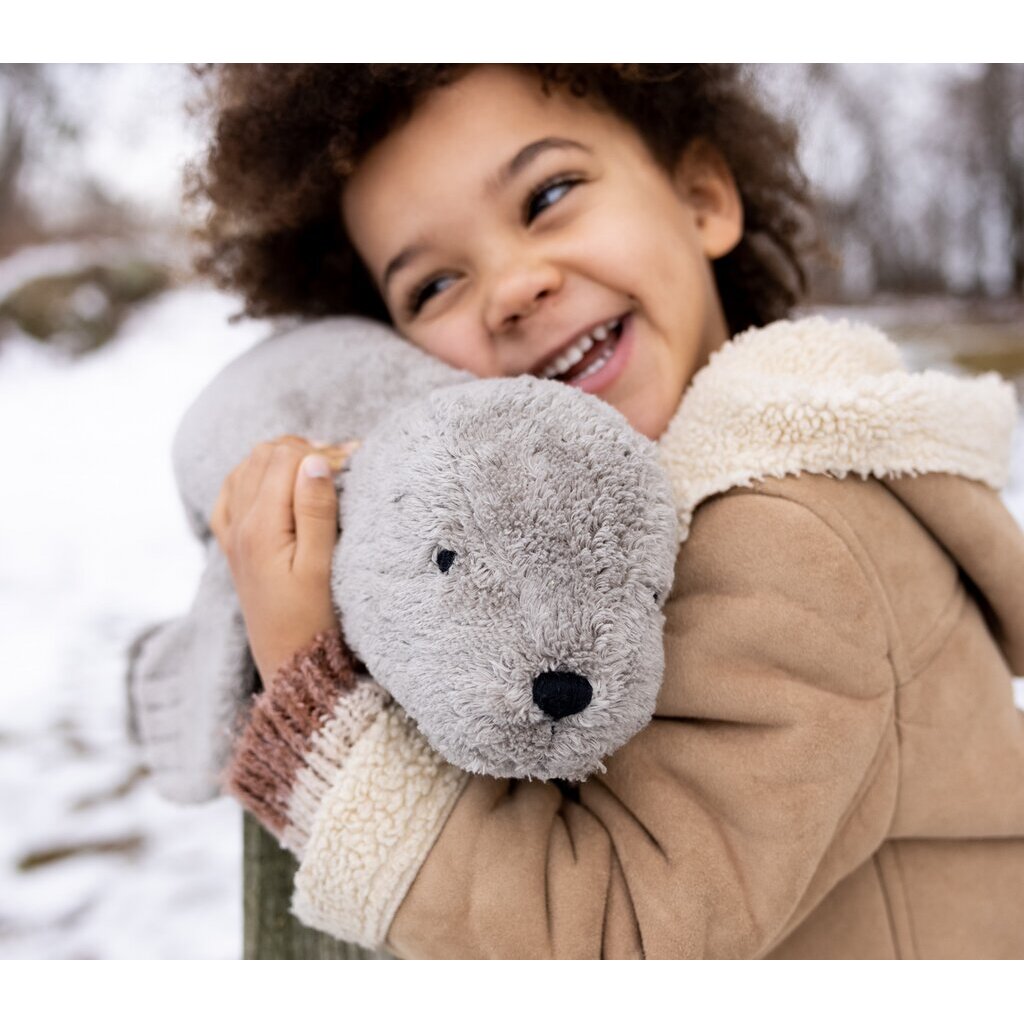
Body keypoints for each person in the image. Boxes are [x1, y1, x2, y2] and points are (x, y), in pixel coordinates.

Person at [198, 64, 1024, 958]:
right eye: (433, 286)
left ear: (703, 198)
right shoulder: (615, 541)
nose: (513, 288)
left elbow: (616, 943)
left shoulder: (797, 530)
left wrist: (316, 713)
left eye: (548, 194)